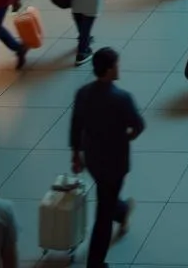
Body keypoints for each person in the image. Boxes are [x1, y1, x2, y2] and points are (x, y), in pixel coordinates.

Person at [70, 48, 145, 268]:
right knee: (103, 213)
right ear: (110, 68)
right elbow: (138, 126)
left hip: (93, 158)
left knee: (106, 194)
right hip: (116, 161)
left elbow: (76, 125)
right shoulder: (121, 99)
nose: (119, 68)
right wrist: (127, 137)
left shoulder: (83, 94)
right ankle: (95, 262)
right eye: (117, 65)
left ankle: (121, 211)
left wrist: (76, 153)